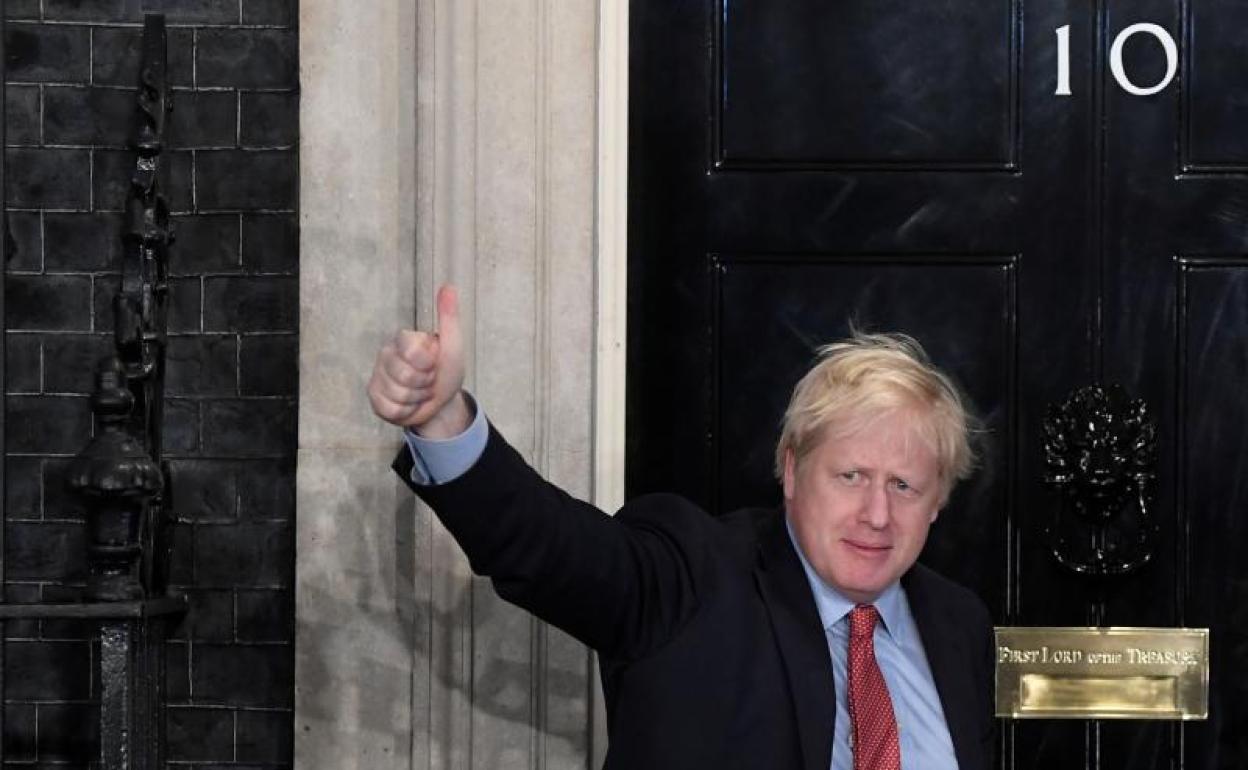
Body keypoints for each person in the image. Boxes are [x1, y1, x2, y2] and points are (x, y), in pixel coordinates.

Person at [368, 286, 995, 770]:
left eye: (904, 486)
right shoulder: (692, 576)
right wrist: (444, 422)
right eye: (851, 476)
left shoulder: (958, 625)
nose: (877, 514)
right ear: (791, 470)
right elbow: (549, 547)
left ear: (937, 502)